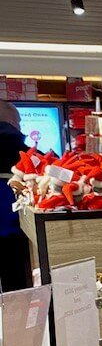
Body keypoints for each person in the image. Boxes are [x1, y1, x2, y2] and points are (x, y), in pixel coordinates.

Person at [0, 101, 29, 292]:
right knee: (18, 290)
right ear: (11, 120)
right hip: (15, 232)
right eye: (18, 122)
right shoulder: (20, 150)